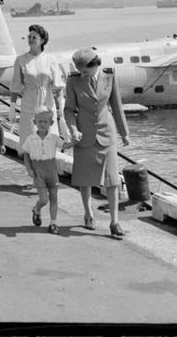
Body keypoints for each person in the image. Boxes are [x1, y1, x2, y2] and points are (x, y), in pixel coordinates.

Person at [64, 46, 129, 238]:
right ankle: (88, 214)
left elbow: (116, 105)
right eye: (80, 71)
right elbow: (69, 110)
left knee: (112, 180)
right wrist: (73, 129)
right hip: (83, 135)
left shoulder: (109, 76)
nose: (83, 75)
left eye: (86, 71)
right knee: (85, 179)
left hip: (106, 134)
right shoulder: (74, 81)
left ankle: (114, 222)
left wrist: (124, 133)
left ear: (95, 65)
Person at [9, 24, 66, 150]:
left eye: (34, 37)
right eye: (29, 36)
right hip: (29, 104)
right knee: (30, 142)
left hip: (48, 104)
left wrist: (61, 107)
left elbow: (58, 86)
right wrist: (12, 108)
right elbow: (15, 86)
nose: (30, 39)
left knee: (49, 142)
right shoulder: (21, 60)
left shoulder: (51, 60)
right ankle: (31, 169)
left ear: (42, 40)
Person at [23, 107, 71, 235]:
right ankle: (36, 209)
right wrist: (29, 169)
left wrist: (74, 140)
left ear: (51, 123)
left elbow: (65, 145)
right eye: (40, 121)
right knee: (43, 199)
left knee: (54, 198)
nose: (42, 124)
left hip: (51, 169)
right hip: (38, 170)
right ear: (35, 122)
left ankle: (53, 223)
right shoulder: (31, 139)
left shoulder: (54, 138)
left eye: (45, 121)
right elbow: (26, 154)